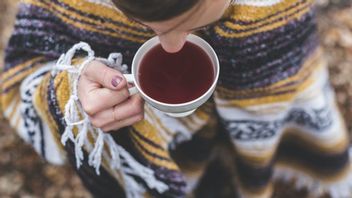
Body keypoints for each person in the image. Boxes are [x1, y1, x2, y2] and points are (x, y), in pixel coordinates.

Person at [1, 0, 351, 197]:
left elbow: (292, 64)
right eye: (147, 27)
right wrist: (71, 94)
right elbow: (23, 78)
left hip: (265, 134)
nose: (170, 46)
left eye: (192, 25)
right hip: (171, 154)